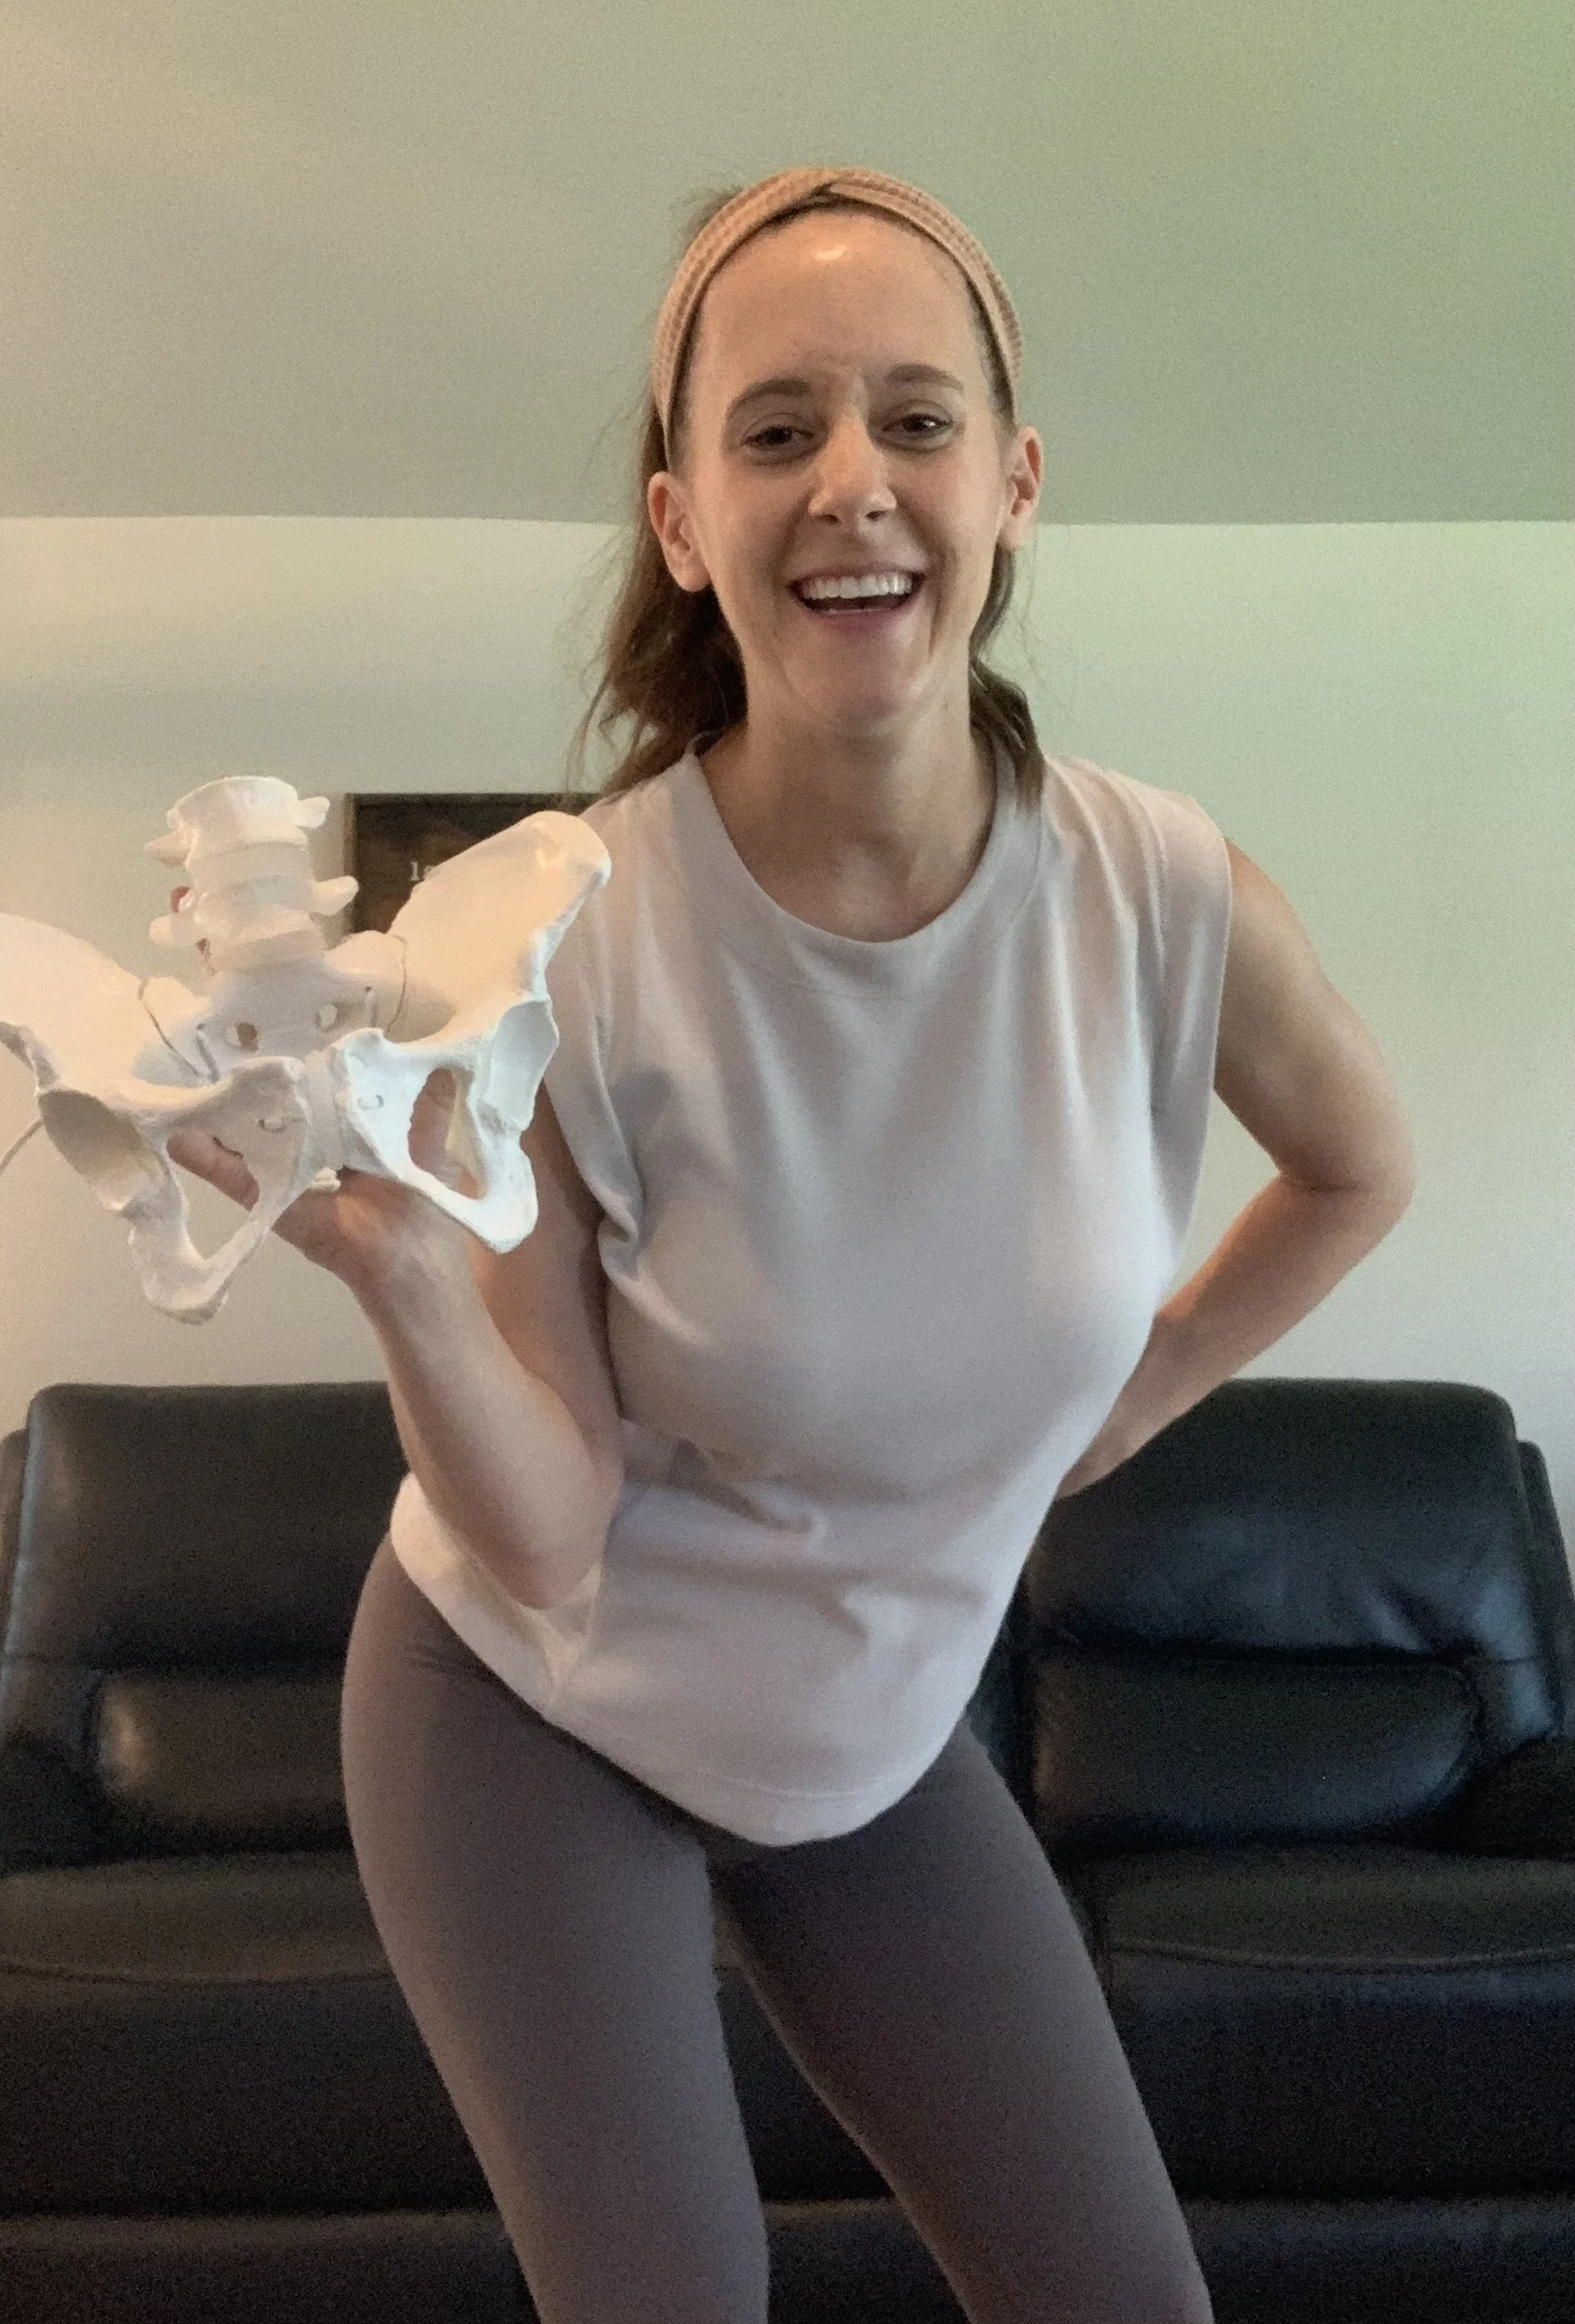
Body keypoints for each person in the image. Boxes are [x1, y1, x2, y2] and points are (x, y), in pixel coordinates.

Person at [171, 164, 1415, 2324]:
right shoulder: (566, 936)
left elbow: (1353, 1168)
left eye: (915, 419)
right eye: (775, 430)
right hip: (525, 1703)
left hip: (865, 1738)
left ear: (1010, 485)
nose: (852, 480)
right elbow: (546, 1532)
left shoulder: (1160, 899)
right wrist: (404, 1279)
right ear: (682, 521)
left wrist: (1140, 1390)